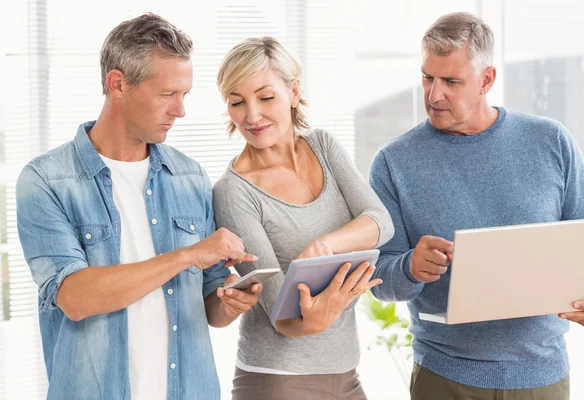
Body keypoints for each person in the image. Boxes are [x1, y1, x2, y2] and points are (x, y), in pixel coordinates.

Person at [16, 13, 262, 400]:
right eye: (167, 94)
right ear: (118, 84)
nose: (180, 110)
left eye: (184, 95)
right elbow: (75, 298)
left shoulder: (190, 177)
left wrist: (231, 302)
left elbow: (211, 306)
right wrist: (187, 255)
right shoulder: (47, 181)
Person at [369, 11, 584, 400]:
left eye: (451, 81)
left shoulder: (551, 142)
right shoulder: (393, 162)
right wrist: (408, 266)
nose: (434, 94)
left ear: (486, 80)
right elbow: (378, 278)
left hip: (543, 376)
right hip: (443, 376)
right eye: (427, 77)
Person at [212, 37, 395, 400]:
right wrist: (324, 310)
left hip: (346, 372)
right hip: (277, 380)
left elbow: (380, 222)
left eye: (265, 97)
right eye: (237, 102)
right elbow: (284, 317)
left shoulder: (324, 146)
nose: (251, 115)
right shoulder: (234, 192)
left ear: (294, 92)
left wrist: (325, 245)